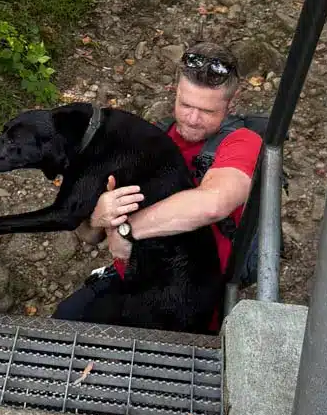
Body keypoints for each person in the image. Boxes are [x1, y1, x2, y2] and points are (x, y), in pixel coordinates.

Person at [54, 42, 262, 326]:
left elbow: (213, 203)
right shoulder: (150, 137)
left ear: (231, 103)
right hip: (129, 281)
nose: (191, 118)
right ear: (174, 92)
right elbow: (91, 236)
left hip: (184, 300)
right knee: (62, 323)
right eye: (185, 104)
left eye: (206, 111)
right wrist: (97, 214)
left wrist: (127, 231)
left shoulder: (242, 142)